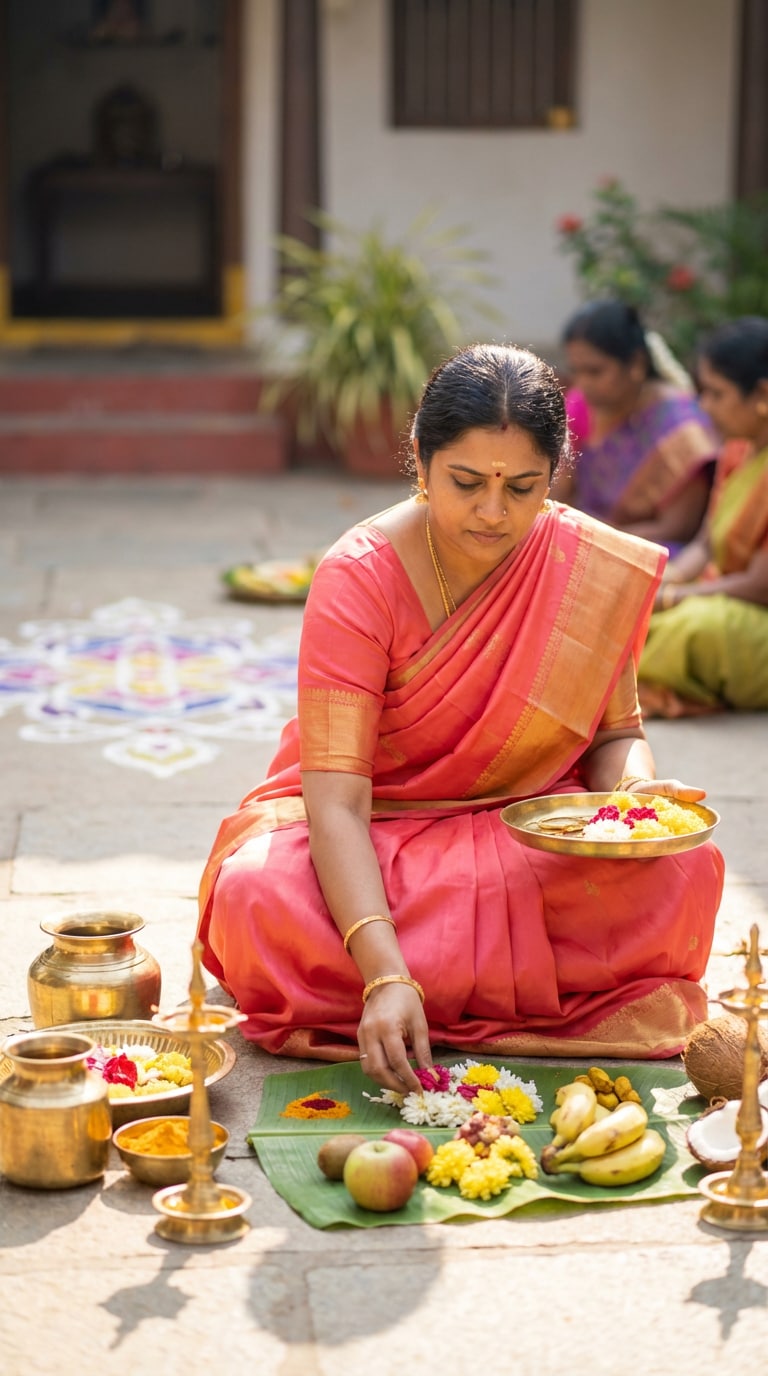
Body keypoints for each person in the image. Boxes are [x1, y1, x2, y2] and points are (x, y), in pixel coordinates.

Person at [197, 343, 724, 1092]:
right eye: (467, 482)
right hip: (377, 829)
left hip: (527, 827)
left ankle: (417, 987)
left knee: (684, 870)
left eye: (522, 487)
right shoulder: (359, 575)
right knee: (255, 897)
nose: (492, 512)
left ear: (556, 472)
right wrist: (382, 972)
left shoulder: (582, 563)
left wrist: (631, 804)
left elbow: (616, 733)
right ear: (419, 457)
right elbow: (337, 802)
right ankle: (416, 989)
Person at [638, 316, 768, 718]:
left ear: (762, 395)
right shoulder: (737, 451)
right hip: (727, 601)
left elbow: (759, 586)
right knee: (633, 611)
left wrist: (674, 598)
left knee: (691, 629)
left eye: (716, 393)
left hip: (753, 613)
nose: (704, 407)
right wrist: (664, 583)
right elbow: (705, 543)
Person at [553, 300, 717, 551]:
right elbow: (558, 493)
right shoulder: (580, 406)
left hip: (648, 548)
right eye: (576, 371)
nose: (583, 384)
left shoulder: (682, 428)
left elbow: (679, 527)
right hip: (583, 539)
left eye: (595, 372)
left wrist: (601, 542)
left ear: (636, 364)